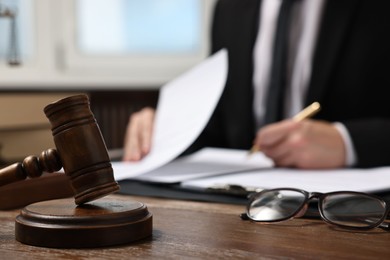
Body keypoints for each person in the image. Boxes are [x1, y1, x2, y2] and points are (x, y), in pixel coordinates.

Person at [123, 0, 390, 169]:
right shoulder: (230, 9)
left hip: (351, 216)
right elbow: (221, 123)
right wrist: (168, 127)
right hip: (242, 210)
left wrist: (348, 142)